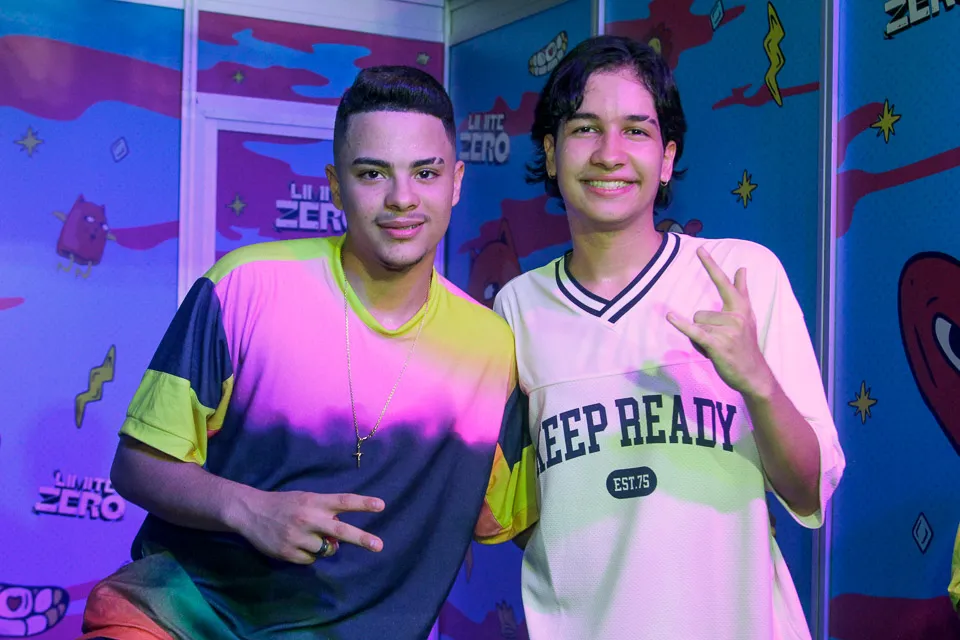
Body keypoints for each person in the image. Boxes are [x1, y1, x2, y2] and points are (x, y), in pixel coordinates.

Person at [79, 65, 530, 640]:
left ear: (456, 182)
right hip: (179, 619)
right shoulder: (245, 286)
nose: (402, 198)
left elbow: (521, 516)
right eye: (373, 173)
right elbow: (137, 464)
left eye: (425, 172)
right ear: (336, 185)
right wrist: (250, 509)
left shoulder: (491, 347)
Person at [476, 35, 846, 639]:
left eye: (636, 131)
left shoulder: (739, 276)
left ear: (668, 157)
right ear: (550, 152)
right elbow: (518, 510)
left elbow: (807, 491)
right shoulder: (516, 309)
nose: (609, 154)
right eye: (585, 129)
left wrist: (756, 381)